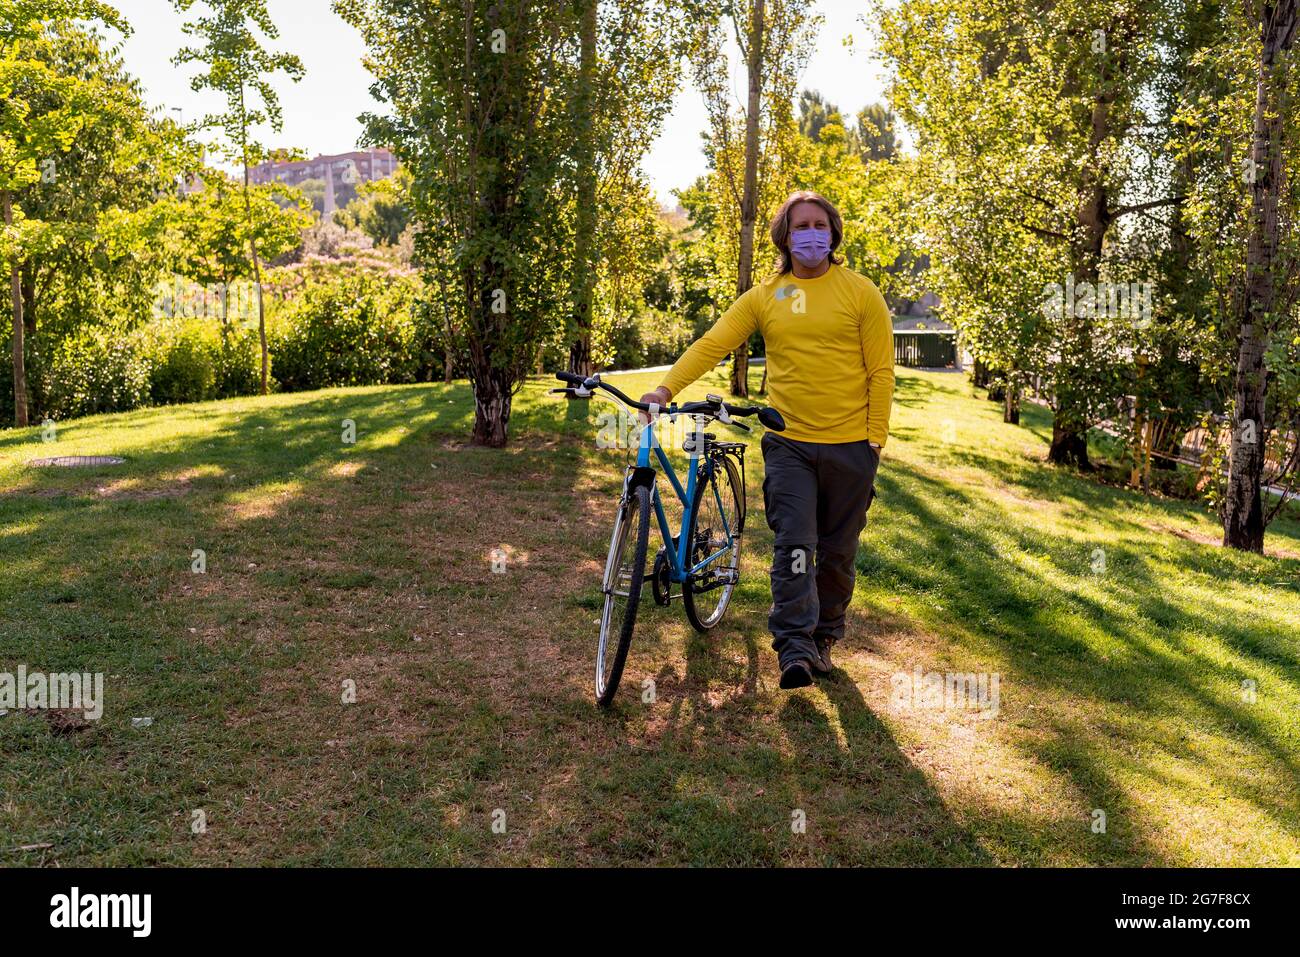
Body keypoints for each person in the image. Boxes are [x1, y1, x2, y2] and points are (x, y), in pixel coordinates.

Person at [640, 190, 894, 689]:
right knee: (795, 543)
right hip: (790, 443)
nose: (812, 235)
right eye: (801, 226)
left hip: (851, 448)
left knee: (838, 553)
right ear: (784, 236)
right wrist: (666, 387)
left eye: (820, 225)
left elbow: (881, 372)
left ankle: (823, 637)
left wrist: (874, 440)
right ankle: (794, 649)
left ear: (834, 233)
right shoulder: (765, 297)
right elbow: (715, 342)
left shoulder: (860, 292)